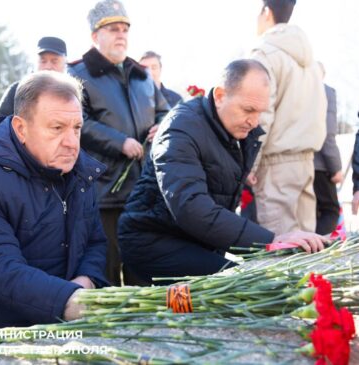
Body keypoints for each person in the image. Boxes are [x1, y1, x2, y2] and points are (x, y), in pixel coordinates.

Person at [118, 59, 327, 284]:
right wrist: (272, 240)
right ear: (219, 95)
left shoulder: (235, 131)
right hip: (153, 241)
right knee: (245, 285)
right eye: (248, 110)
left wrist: (273, 248)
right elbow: (191, 207)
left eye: (260, 112)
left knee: (253, 282)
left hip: (195, 240)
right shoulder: (180, 129)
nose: (254, 122)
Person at [0, 71, 108, 328]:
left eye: (77, 128)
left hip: (68, 319)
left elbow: (95, 241)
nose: (71, 143)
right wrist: (68, 299)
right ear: (21, 129)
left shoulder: (81, 172)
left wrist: (87, 279)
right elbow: (1, 268)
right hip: (10, 331)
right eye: (57, 128)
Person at [68, 0, 169, 286]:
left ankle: (144, 323)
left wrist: (162, 125)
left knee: (141, 259)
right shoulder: (77, 74)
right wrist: (119, 142)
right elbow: (78, 121)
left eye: (125, 29)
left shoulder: (142, 76)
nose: (121, 34)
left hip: (143, 186)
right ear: (94, 36)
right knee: (107, 265)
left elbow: (164, 111)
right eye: (112, 29)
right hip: (104, 187)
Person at [249, 0, 327, 235]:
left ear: (266, 12)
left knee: (282, 253)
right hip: (306, 161)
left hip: (276, 165)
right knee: (305, 247)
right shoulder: (310, 61)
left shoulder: (264, 53)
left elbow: (261, 113)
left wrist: (250, 164)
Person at [0, 36, 67, 119]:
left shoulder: (74, 94)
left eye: (54, 61)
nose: (48, 66)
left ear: (65, 63)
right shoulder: (17, 91)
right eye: (43, 61)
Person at [314, 63, 343, 234]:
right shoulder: (325, 92)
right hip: (320, 165)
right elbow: (327, 133)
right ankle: (316, 253)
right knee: (330, 211)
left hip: (294, 165)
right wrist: (336, 168)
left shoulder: (294, 92)